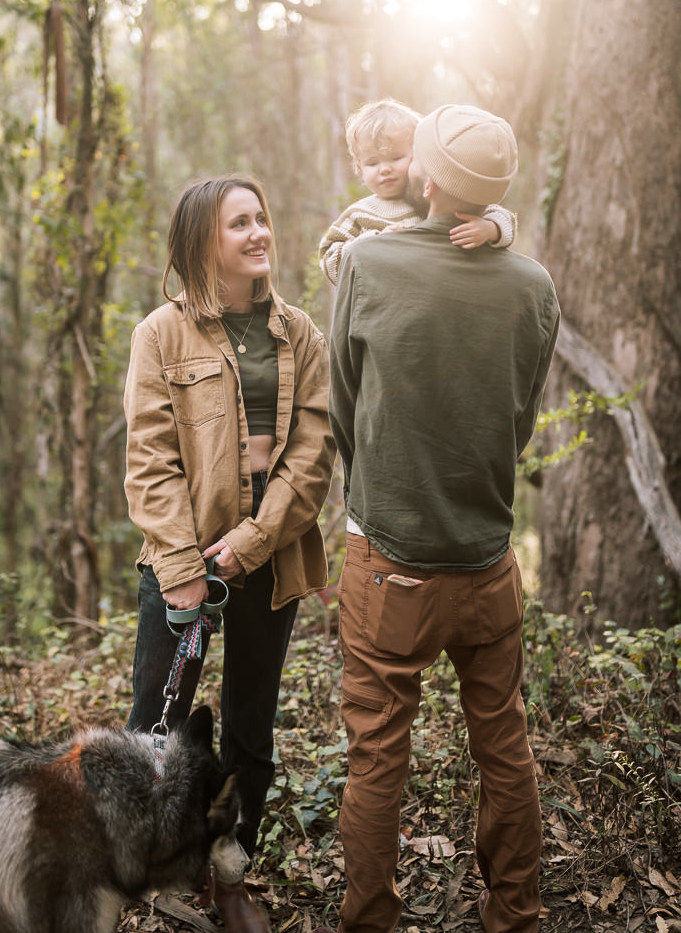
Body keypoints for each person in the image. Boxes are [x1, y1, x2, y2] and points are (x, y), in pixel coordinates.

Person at [324, 104, 560, 933]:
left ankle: (369, 921)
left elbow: (344, 407)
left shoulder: (368, 263)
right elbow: (519, 420)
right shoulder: (532, 286)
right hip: (486, 557)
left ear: (425, 175)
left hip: (387, 560)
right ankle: (516, 915)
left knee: (377, 756)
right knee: (505, 746)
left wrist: (383, 490)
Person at [123, 174, 335, 933]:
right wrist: (184, 569)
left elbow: (314, 450)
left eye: (261, 218)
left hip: (269, 555)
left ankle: (233, 870)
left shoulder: (301, 334)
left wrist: (251, 542)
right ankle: (150, 864)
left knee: (251, 723)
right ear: (202, 242)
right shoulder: (161, 333)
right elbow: (150, 459)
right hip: (181, 563)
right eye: (238, 224)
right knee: (158, 722)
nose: (258, 233)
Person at [318, 97, 517, 285]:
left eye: (396, 158)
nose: (384, 169)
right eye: (372, 163)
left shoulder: (429, 198)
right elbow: (329, 259)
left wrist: (490, 229)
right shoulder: (359, 213)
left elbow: (500, 215)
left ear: (416, 155)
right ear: (359, 168)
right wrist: (372, 242)